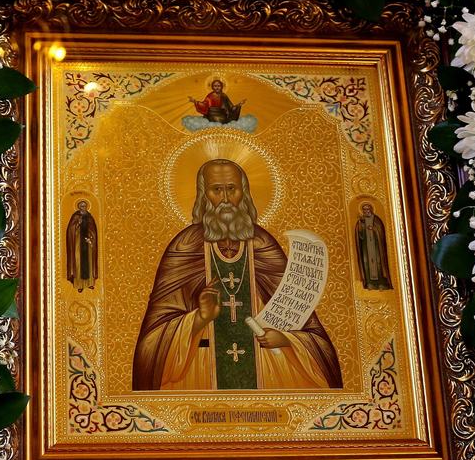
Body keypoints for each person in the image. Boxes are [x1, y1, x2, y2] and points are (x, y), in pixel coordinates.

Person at [132, 159, 342, 391]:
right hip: (200, 370)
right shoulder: (185, 245)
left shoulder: (262, 243)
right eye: (216, 190)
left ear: (244, 192)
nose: (225, 199)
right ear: (203, 194)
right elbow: (152, 342)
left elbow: (302, 320)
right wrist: (200, 318)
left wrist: (286, 339)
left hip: (268, 368)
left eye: (231, 189)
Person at [355, 203, 392, 290]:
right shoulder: (361, 221)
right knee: (366, 262)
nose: (366, 211)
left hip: (376, 247)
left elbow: (381, 231)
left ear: (371, 210)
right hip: (366, 247)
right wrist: (361, 225)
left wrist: (374, 229)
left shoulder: (376, 220)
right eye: (364, 210)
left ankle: (381, 283)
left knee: (378, 262)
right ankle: (369, 283)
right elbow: (360, 235)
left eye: (367, 209)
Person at [66, 199, 98, 291]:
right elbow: (70, 229)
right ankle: (79, 285)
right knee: (78, 261)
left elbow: (93, 230)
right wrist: (77, 224)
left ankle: (89, 283)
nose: (83, 207)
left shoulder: (90, 217)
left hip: (88, 242)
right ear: (79, 207)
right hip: (78, 241)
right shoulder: (75, 216)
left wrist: (91, 238)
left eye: (84, 206)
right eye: (81, 206)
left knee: (89, 261)